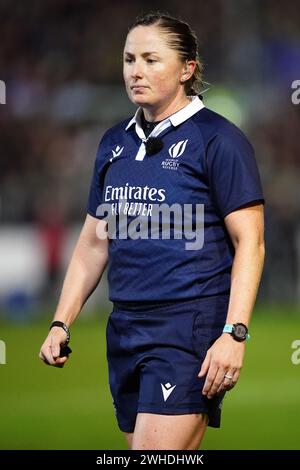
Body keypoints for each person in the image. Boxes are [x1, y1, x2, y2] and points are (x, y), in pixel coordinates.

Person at [39, 12, 265, 450]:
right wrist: (60, 323)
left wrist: (234, 333)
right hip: (123, 327)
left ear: (187, 69)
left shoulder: (219, 140)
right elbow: (92, 243)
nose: (135, 70)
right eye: (128, 59)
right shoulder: (113, 144)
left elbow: (251, 242)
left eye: (150, 58)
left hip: (188, 326)